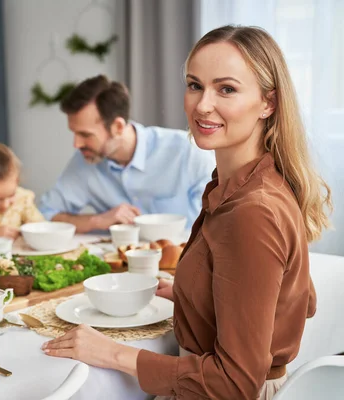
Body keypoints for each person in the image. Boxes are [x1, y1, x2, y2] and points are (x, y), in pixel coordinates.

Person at [41, 25, 331, 400]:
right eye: (195, 85)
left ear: (268, 103)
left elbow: (234, 383)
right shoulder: (248, 183)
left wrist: (113, 352)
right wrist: (198, 294)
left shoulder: (251, 212)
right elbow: (297, 300)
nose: (202, 104)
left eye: (226, 88)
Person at [38, 75, 215, 233]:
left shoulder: (188, 152)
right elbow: (44, 215)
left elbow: (219, 221)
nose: (76, 144)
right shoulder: (84, 161)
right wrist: (97, 221)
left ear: (118, 127)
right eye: (74, 133)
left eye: (85, 135)